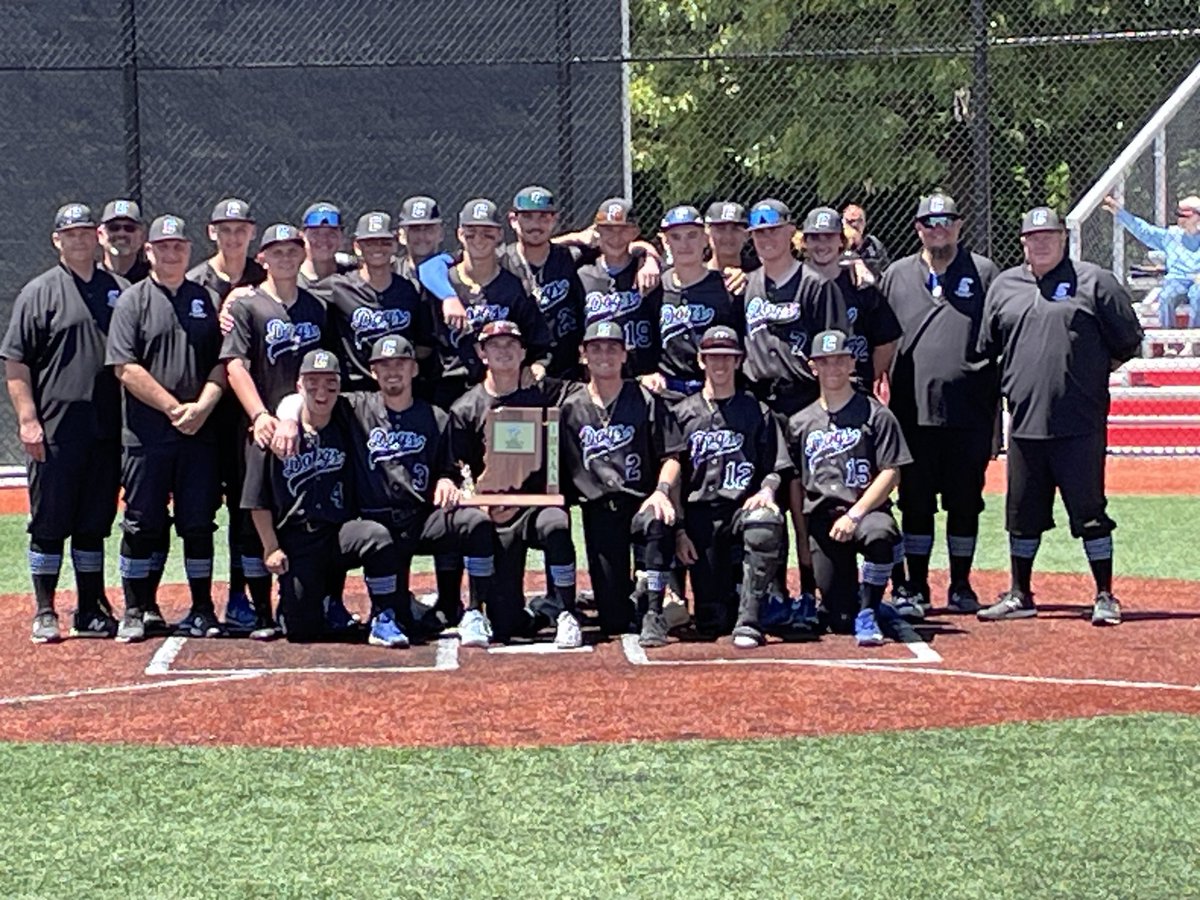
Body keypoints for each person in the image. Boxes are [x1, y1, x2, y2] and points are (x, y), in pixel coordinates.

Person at [976, 207, 1143, 625]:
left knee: (1089, 511)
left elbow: (1127, 343)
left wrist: (1085, 375)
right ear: (1023, 241)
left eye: (1049, 234)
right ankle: (1020, 593)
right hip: (1025, 422)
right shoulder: (1005, 286)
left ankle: (1105, 594)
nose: (1042, 242)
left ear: (1063, 237)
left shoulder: (1095, 282)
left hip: (1079, 423)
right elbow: (989, 346)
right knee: (1021, 514)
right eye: (1033, 236)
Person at [274, 335, 499, 642]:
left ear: (414, 369)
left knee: (476, 523)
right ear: (372, 371)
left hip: (419, 519)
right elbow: (311, 395)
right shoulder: (355, 408)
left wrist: (447, 479)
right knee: (396, 614)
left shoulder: (435, 417)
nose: (392, 371)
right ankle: (386, 614)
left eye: (400, 364)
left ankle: (474, 611)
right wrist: (287, 420)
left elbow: (448, 467)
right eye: (384, 365)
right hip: (375, 522)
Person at [2, 204, 127, 643]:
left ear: (97, 237)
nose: (78, 239)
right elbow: (16, 363)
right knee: (51, 522)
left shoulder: (120, 289)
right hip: (55, 431)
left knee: (94, 523)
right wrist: (28, 420)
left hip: (107, 428)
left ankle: (90, 608)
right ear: (57, 240)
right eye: (68, 234)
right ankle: (44, 609)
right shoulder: (39, 292)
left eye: (84, 232)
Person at [105, 214, 226, 643]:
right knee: (142, 523)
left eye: (178, 246)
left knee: (197, 523)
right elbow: (124, 367)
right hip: (146, 435)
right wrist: (175, 408)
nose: (171, 253)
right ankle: (137, 609)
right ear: (149, 251)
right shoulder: (132, 301)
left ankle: (202, 608)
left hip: (198, 435)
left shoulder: (205, 298)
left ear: (188, 251)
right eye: (162, 247)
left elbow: (224, 362)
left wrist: (203, 407)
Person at [881, 192, 1000, 617]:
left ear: (959, 225)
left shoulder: (983, 272)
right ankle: (915, 585)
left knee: (965, 501)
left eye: (946, 221)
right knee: (914, 502)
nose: (938, 229)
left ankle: (962, 583)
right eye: (930, 223)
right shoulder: (896, 275)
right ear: (918, 228)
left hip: (968, 412)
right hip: (911, 412)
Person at [245, 349, 407, 645]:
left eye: (330, 385)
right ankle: (304, 603)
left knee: (377, 536)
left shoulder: (345, 420)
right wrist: (271, 548)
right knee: (302, 632)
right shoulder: (273, 437)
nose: (322, 392)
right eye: (313, 383)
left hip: (336, 535)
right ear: (299, 386)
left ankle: (384, 616)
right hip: (297, 541)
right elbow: (257, 499)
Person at [222, 223, 331, 636]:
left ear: (302, 255)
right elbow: (235, 365)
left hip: (308, 426)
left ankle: (314, 598)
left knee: (310, 509)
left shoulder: (316, 307)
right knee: (254, 513)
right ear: (262, 258)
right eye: (276, 252)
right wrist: (259, 416)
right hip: (261, 426)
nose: (285, 258)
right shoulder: (248, 306)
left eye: (292, 251)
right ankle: (258, 608)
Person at [449, 321, 580, 647]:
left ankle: (566, 612)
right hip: (492, 511)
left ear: (523, 353)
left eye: (511, 345)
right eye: (495, 345)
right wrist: (476, 499)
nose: (504, 352)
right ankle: (477, 611)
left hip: (534, 508)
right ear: (481, 353)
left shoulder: (543, 399)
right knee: (507, 625)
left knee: (557, 525)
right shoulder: (465, 408)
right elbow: (458, 467)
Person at [559, 320, 683, 645]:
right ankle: (638, 595)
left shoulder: (644, 398)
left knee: (657, 518)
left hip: (640, 501)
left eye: (613, 348)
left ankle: (655, 609)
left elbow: (672, 454)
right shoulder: (571, 407)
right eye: (596, 348)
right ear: (583, 355)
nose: (605, 355)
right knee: (613, 621)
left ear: (625, 355)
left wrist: (661, 491)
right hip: (598, 508)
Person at [786, 330, 913, 646]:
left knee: (880, 535)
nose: (833, 368)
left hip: (864, 511)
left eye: (840, 360)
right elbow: (796, 484)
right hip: (823, 518)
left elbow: (891, 473)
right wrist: (802, 539)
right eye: (825, 362)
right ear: (813, 367)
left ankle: (869, 610)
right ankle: (867, 601)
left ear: (852, 362)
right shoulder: (800, 422)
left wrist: (855, 515)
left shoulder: (876, 414)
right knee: (838, 619)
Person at [672, 326, 790, 646]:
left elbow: (775, 467)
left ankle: (750, 620)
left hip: (740, 510)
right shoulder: (682, 413)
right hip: (699, 516)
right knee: (711, 621)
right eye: (712, 357)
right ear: (701, 361)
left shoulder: (757, 410)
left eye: (727, 357)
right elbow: (673, 479)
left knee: (765, 522)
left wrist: (766, 491)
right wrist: (680, 530)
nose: (720, 364)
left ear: (739, 361)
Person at [419, 199, 552, 409]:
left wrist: (536, 365)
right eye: (471, 233)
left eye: (487, 233)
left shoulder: (514, 286)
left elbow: (539, 340)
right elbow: (423, 341)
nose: (479, 240)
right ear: (460, 234)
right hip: (450, 385)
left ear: (499, 235)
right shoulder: (443, 284)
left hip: (502, 388)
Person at [644, 206, 743, 402]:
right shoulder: (656, 287)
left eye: (692, 235)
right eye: (675, 237)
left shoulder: (727, 287)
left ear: (706, 238)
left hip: (715, 391)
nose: (684, 244)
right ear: (665, 241)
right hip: (668, 391)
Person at [326, 211, 434, 391]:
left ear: (394, 245)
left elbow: (424, 344)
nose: (378, 248)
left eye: (384, 242)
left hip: (401, 389)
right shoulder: (338, 287)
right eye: (370, 243)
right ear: (357, 247)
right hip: (356, 389)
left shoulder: (410, 289)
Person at [797, 206, 900, 395]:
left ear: (841, 241)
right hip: (804, 388)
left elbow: (886, 340)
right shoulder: (794, 285)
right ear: (804, 242)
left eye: (829, 237)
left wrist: (873, 377)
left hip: (854, 386)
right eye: (815, 237)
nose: (822, 244)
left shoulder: (861, 285)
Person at [500, 186, 587, 379]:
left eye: (543, 217)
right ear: (513, 220)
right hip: (517, 373)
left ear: (554, 220)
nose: (536, 225)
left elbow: (621, 247)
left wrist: (647, 255)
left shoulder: (571, 257)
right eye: (528, 217)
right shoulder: (499, 262)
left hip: (567, 370)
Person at [576, 198, 661, 378]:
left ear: (635, 232)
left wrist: (650, 257)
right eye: (608, 230)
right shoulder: (583, 275)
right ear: (596, 232)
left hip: (643, 376)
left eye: (623, 230)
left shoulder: (647, 272)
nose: (615, 237)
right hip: (596, 378)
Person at [1103, 193, 1200, 328]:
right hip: (1177, 279)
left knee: (1198, 295)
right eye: (1179, 214)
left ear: (1197, 217)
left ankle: (1194, 342)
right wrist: (1120, 213)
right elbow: (1145, 231)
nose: (1180, 218)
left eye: (1186, 215)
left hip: (1198, 280)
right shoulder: (1172, 235)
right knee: (1166, 297)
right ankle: (1169, 340)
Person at [186, 197, 266, 297]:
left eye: (240, 230)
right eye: (225, 230)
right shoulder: (194, 283)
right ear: (212, 232)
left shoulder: (265, 279)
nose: (233, 237)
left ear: (253, 232)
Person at [98, 199, 150, 283]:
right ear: (100, 235)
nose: (121, 233)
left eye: (129, 228)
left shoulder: (154, 279)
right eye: (114, 228)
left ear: (142, 237)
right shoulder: (89, 277)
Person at [842, 203, 891, 277]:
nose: (853, 225)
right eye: (848, 221)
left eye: (858, 220)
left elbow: (885, 268)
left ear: (864, 222)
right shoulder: (837, 244)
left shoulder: (873, 244)